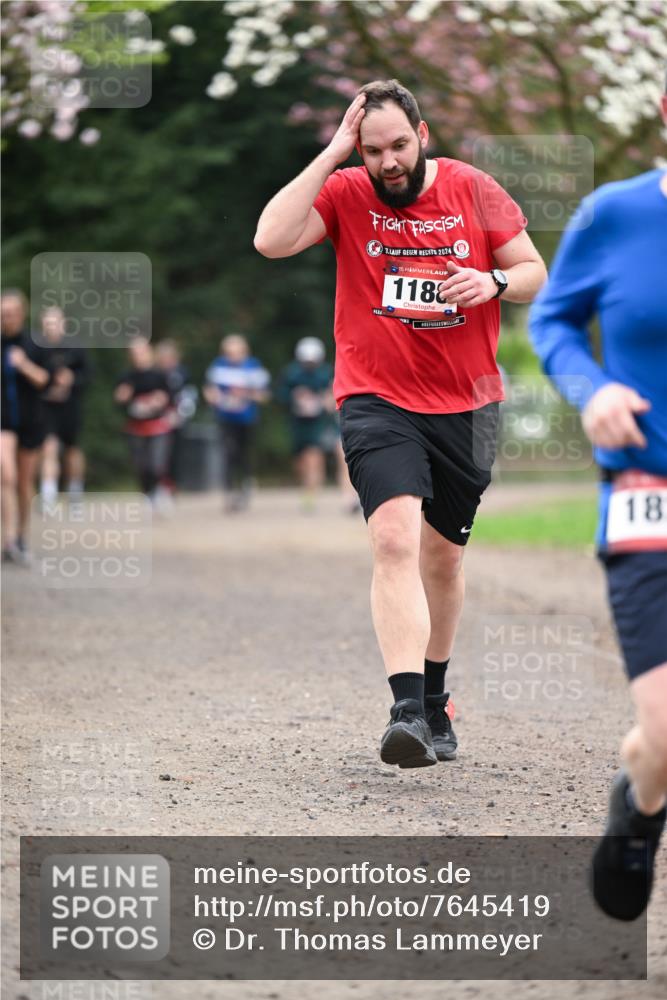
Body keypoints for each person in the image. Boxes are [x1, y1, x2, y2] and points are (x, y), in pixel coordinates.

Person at [255, 79, 547, 767]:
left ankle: (437, 697)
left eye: (397, 145)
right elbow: (269, 240)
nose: (387, 162)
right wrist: (330, 156)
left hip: (467, 403)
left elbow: (535, 270)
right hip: (375, 397)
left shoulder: (472, 189)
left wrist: (493, 283)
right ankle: (406, 710)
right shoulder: (346, 192)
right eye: (371, 149)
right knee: (393, 539)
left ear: (422, 135)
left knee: (442, 559)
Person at [529, 83, 667, 920]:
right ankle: (642, 798)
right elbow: (550, 320)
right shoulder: (612, 214)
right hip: (646, 498)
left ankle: (644, 783)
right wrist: (591, 388)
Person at [1, 289, 52, 565]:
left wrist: (23, 365)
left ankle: (21, 536)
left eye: (9, 314)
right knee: (5, 474)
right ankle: (8, 538)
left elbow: (45, 379)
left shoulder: (34, 344)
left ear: (21, 314)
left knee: (23, 482)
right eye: (1, 314)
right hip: (3, 421)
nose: (5, 319)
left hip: (31, 421)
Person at [204, 334, 270, 513]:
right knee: (228, 454)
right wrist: (215, 398)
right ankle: (230, 492)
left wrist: (247, 396)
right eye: (228, 352)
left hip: (247, 419)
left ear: (244, 351)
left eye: (235, 352)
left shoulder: (253, 367)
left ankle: (246, 484)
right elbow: (209, 391)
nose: (232, 355)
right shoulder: (218, 366)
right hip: (225, 418)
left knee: (244, 455)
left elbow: (264, 395)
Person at [39, 305, 91, 506]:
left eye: (55, 322)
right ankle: (48, 493)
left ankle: (75, 490)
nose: (51, 327)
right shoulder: (38, 349)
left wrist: (72, 379)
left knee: (72, 450)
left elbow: (88, 376)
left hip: (71, 408)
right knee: (48, 447)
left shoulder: (75, 348)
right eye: (47, 323)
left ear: (63, 324)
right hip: (46, 407)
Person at [114, 337, 173, 511]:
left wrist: (159, 400)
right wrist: (122, 397)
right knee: (141, 465)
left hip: (157, 426)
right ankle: (147, 494)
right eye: (134, 353)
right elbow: (119, 400)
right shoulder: (126, 376)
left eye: (141, 351)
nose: (138, 356)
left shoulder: (159, 375)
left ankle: (161, 491)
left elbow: (168, 397)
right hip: (135, 428)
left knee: (157, 463)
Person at [155, 339, 197, 501]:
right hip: (157, 419)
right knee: (158, 455)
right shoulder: (155, 373)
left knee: (175, 454)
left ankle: (173, 485)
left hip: (177, 419)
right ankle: (159, 485)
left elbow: (189, 395)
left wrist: (180, 415)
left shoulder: (182, 373)